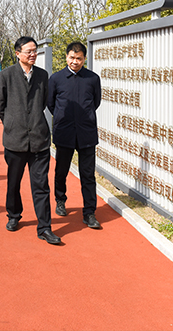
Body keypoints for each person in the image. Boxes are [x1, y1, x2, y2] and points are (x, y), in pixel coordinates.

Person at [0, 36, 60, 245]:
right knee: (13, 183)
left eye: (35, 51)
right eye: (29, 51)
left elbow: (44, 102)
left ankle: (45, 228)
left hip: (39, 140)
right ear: (17, 53)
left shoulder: (42, 76)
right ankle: (14, 215)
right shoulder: (6, 75)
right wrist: (12, 123)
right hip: (15, 140)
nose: (33, 55)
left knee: (41, 185)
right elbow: (0, 105)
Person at [48, 41, 103, 229]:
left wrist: (83, 117)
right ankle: (60, 200)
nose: (75, 61)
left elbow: (96, 102)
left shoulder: (93, 78)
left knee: (88, 175)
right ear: (66, 57)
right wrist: (64, 117)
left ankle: (89, 213)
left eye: (79, 58)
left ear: (84, 59)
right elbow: (51, 104)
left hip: (86, 133)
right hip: (64, 132)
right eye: (72, 57)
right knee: (61, 170)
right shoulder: (56, 79)